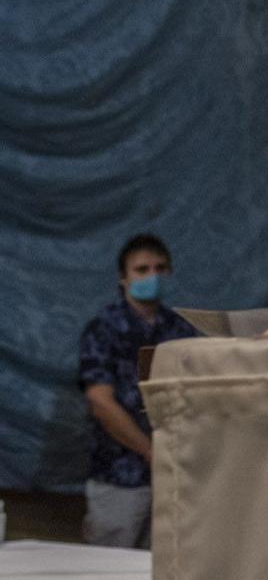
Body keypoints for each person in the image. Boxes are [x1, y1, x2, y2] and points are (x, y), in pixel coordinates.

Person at [77, 233, 201, 547]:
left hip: (174, 476)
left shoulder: (180, 330)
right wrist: (149, 449)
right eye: (141, 269)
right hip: (119, 475)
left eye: (159, 268)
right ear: (123, 278)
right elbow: (100, 401)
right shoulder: (103, 328)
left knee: (160, 573)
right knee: (107, 571)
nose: (151, 276)